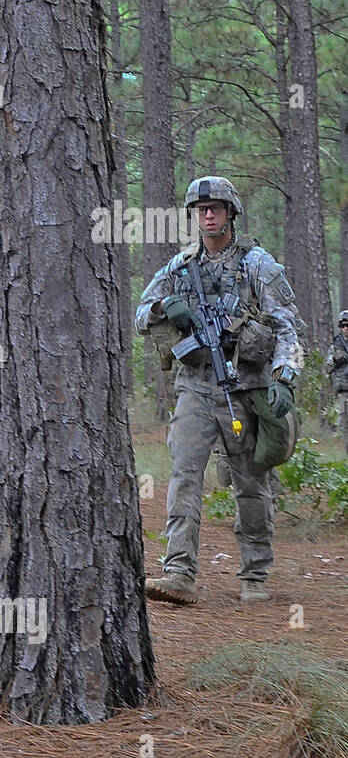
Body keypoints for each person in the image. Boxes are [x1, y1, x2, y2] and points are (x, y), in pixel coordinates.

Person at [136, 176, 300, 605]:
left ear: (231, 213)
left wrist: (284, 376)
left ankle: (255, 575)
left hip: (245, 389)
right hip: (194, 389)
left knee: (249, 483)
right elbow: (140, 314)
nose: (208, 215)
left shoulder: (257, 264)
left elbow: (287, 325)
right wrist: (162, 306)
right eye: (200, 209)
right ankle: (179, 573)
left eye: (216, 207)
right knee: (184, 476)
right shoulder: (179, 266)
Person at [324, 310, 348, 456]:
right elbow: (326, 369)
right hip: (343, 393)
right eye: (343, 325)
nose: (346, 328)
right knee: (345, 425)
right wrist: (335, 359)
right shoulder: (336, 345)